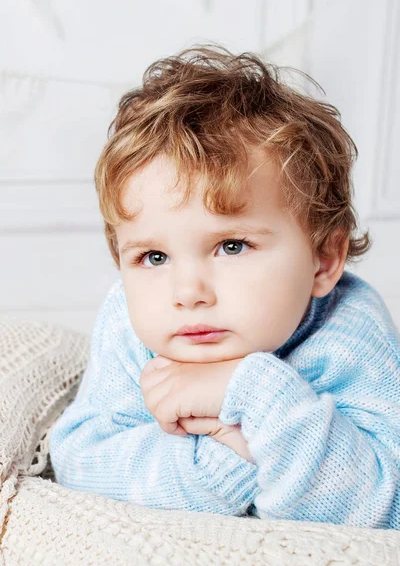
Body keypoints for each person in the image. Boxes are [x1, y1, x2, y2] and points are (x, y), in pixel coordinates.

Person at [49, 45, 400, 528]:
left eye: (232, 246)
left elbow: (380, 511)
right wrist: (230, 458)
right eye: (153, 257)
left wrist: (252, 395)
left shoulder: (351, 329)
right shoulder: (130, 321)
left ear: (323, 261)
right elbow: (80, 464)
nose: (187, 291)